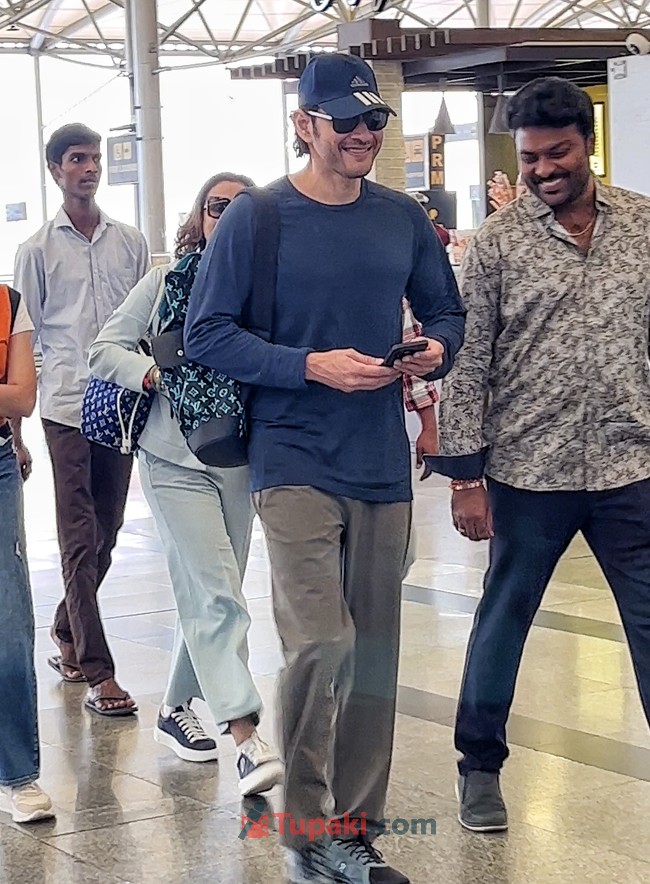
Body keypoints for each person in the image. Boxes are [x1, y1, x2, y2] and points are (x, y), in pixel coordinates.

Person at [185, 54, 465, 884]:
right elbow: (207, 333)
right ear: (304, 125)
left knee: (372, 650)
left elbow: (445, 308)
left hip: (378, 460)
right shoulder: (258, 217)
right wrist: (311, 366)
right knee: (320, 641)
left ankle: (351, 830)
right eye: (346, 121)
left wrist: (435, 347)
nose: (363, 134)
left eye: (373, 120)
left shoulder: (401, 217)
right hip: (293, 455)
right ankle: (306, 823)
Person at [428, 77, 650, 834]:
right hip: (528, 472)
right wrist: (464, 477)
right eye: (530, 159)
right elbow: (470, 362)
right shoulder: (498, 242)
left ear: (588, 145)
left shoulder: (642, 225)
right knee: (504, 620)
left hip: (631, 467)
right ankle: (479, 767)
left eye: (558, 154)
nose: (544, 170)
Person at [88, 172, 285, 796]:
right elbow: (104, 350)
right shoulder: (165, 281)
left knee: (213, 591)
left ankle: (176, 707)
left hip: (239, 458)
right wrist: (153, 374)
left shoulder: (268, 289)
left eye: (239, 208)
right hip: (172, 457)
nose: (226, 217)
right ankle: (246, 736)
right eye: (216, 206)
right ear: (198, 217)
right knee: (218, 593)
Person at [13, 123, 149, 717]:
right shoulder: (36, 251)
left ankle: (67, 627)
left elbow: (144, 326)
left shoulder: (130, 242)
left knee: (108, 529)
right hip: (67, 407)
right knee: (77, 534)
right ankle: (97, 670)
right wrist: (17, 432)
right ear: (55, 170)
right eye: (76, 159)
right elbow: (22, 342)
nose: (89, 167)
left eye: (94, 158)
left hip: (119, 403)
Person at [0, 284, 54, 823]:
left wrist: (16, 438)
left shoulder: (8, 303)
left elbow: (22, 398)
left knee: (10, 620)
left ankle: (18, 774)